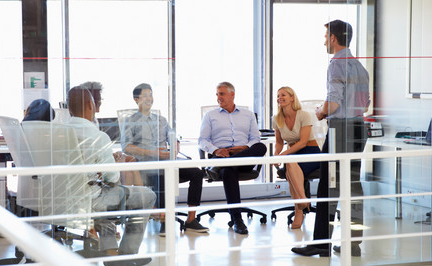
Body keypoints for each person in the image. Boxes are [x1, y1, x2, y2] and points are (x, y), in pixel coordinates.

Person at [292, 20, 370, 257]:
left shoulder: (336, 64)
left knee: (329, 185)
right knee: (353, 185)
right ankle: (353, 243)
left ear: (334, 38)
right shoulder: (360, 66)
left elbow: (334, 103)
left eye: (326, 36)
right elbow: (365, 105)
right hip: (358, 128)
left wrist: (320, 112)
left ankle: (321, 244)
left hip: (341, 130)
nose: (324, 40)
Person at [67, 86, 156, 266]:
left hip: (65, 199)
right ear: (89, 106)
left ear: (69, 108)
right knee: (147, 195)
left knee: (107, 197)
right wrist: (112, 163)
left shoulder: (58, 133)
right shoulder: (97, 136)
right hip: (92, 200)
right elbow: (113, 178)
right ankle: (126, 255)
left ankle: (113, 254)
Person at [121, 83, 209, 234]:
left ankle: (191, 220)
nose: (149, 98)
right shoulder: (130, 121)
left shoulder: (161, 120)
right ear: (136, 100)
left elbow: (173, 137)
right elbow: (126, 147)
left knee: (197, 173)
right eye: (145, 96)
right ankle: (165, 220)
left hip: (167, 161)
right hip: (146, 164)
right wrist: (152, 152)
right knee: (164, 173)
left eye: (151, 95)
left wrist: (175, 147)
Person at [198, 81, 267, 235]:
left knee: (261, 147)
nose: (218, 98)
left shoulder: (248, 115)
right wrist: (216, 150)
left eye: (221, 94)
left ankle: (226, 164)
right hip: (222, 155)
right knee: (229, 170)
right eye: (217, 95)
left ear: (232, 94)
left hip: (243, 156)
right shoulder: (210, 116)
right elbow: (202, 141)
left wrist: (245, 147)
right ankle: (237, 220)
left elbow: (256, 138)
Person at [272, 86, 321, 229]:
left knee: (289, 163)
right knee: (290, 164)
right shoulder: (277, 119)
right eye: (278, 95)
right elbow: (279, 143)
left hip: (310, 151)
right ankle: (302, 200)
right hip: (292, 154)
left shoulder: (303, 115)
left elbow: (303, 142)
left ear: (292, 98)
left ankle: (299, 210)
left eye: (284, 95)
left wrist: (283, 155)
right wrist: (276, 156)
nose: (280, 97)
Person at [80, 81, 143, 186]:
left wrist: (113, 155)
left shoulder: (94, 120)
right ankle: (131, 197)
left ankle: (134, 199)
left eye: (100, 99)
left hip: (99, 160)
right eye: (97, 99)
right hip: (95, 169)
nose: (99, 102)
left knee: (130, 160)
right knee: (127, 170)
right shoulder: (85, 124)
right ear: (88, 102)